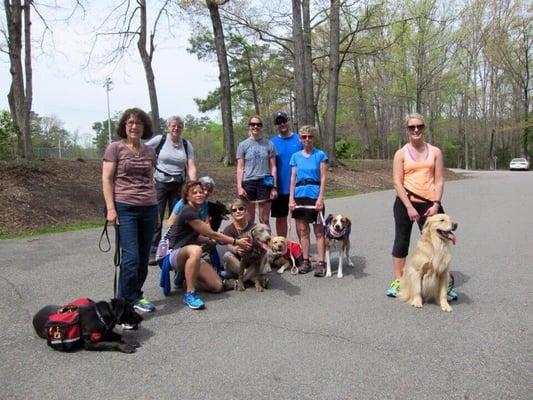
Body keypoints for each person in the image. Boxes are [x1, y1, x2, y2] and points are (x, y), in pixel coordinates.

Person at [387, 112, 457, 300]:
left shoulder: (435, 152)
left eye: (419, 126)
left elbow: (439, 180)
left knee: (439, 240)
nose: (416, 130)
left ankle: (443, 282)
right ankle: (399, 281)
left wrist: (436, 204)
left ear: (424, 128)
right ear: (407, 130)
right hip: (405, 203)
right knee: (401, 240)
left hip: (429, 203)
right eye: (412, 127)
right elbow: (397, 182)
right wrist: (409, 206)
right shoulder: (401, 153)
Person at [102, 107, 158, 313]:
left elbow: (151, 181)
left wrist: (157, 212)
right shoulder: (115, 148)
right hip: (125, 208)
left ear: (145, 127)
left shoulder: (150, 151)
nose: (134, 127)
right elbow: (107, 179)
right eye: (130, 123)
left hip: (149, 208)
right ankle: (122, 302)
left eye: (139, 123)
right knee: (131, 257)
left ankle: (135, 295)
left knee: (143, 259)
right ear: (124, 126)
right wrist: (110, 208)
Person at [164, 181, 251, 309]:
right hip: (174, 253)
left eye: (200, 192)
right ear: (187, 196)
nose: (199, 194)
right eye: (194, 193)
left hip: (188, 253)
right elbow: (211, 233)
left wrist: (210, 241)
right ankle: (190, 294)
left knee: (217, 286)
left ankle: (185, 280)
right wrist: (236, 242)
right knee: (196, 250)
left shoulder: (196, 210)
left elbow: (196, 235)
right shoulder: (188, 211)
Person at [145, 116, 197, 265]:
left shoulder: (186, 144)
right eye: (173, 126)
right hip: (160, 183)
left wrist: (193, 184)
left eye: (179, 126)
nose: (176, 128)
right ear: (168, 127)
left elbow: (191, 165)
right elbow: (143, 152)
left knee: (177, 217)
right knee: (157, 216)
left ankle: (173, 248)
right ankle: (153, 250)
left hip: (178, 185)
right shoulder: (159, 140)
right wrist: (148, 173)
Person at [289, 125, 328, 277]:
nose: (307, 139)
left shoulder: (320, 155)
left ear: (313, 138)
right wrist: (291, 198)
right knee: (303, 231)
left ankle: (321, 262)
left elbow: (324, 177)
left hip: (315, 196)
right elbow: (293, 178)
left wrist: (320, 198)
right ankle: (305, 260)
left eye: (310, 137)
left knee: (318, 231)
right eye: (304, 137)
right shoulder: (295, 157)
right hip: (299, 196)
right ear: (300, 139)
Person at [236, 115, 277, 226]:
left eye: (258, 124)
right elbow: (240, 167)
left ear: (261, 127)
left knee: (264, 219)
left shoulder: (269, 144)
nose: (255, 127)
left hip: (265, 181)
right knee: (249, 219)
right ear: (249, 126)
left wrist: (274, 187)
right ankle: (252, 243)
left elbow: (273, 167)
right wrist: (240, 187)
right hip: (249, 182)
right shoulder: (243, 145)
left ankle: (265, 243)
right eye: (253, 124)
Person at [270, 111, 303, 237]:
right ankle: (283, 249)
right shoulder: (272, 142)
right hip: (280, 187)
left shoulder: (299, 139)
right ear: (276, 125)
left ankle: (302, 250)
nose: (282, 124)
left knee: (300, 219)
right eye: (279, 122)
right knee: (281, 218)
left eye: (284, 121)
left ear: (288, 121)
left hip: (298, 187)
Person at [221, 198, 256, 278]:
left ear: (245, 211)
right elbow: (228, 246)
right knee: (227, 255)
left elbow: (260, 245)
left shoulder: (254, 227)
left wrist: (250, 248)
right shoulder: (228, 229)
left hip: (251, 261)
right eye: (234, 210)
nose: (238, 211)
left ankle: (243, 278)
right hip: (236, 262)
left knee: (264, 255)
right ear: (232, 214)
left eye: (241, 208)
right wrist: (236, 249)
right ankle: (253, 278)